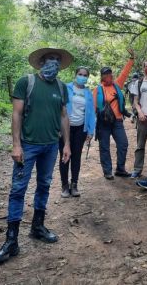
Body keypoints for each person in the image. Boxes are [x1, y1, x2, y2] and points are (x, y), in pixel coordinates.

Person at [0, 48, 72, 264]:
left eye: (58, 60)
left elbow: (63, 115)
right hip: (28, 147)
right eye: (51, 59)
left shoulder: (60, 86)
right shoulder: (26, 82)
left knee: (45, 185)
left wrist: (66, 144)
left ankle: (37, 227)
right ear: (40, 62)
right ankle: (11, 240)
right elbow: (16, 113)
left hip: (50, 146)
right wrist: (16, 145)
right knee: (18, 189)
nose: (54, 63)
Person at [94, 49, 135, 179]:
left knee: (123, 144)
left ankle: (120, 169)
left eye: (110, 73)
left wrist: (132, 59)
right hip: (103, 123)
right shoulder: (97, 90)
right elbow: (93, 108)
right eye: (106, 74)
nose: (109, 76)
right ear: (102, 76)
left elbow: (125, 72)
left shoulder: (117, 85)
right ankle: (107, 171)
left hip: (117, 121)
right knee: (104, 147)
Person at [59, 66, 95, 198]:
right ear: (75, 74)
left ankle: (74, 184)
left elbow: (91, 113)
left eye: (85, 75)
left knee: (76, 157)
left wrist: (91, 131)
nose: (82, 77)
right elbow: (58, 108)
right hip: (65, 128)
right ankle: (64, 186)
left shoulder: (88, 93)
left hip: (81, 129)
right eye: (80, 74)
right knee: (64, 156)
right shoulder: (65, 88)